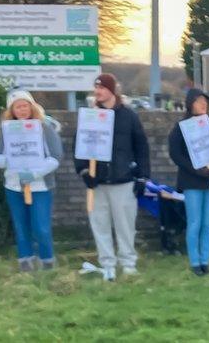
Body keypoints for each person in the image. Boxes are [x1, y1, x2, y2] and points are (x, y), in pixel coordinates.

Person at [74, 73, 150, 281]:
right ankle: (107, 263)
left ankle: (128, 263)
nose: (98, 92)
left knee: (125, 226)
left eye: (102, 88)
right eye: (96, 88)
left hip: (123, 180)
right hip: (97, 183)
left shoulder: (129, 116)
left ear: (112, 90)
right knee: (100, 224)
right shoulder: (90, 117)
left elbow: (141, 147)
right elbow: (79, 147)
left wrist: (143, 177)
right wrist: (83, 172)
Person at [0, 90, 62, 272]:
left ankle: (47, 260)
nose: (22, 110)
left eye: (25, 105)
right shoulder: (8, 130)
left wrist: (35, 173)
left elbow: (55, 156)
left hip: (40, 187)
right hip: (14, 186)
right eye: (18, 106)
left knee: (41, 228)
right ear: (12, 110)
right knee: (21, 226)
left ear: (32, 106)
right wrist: (9, 161)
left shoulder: (44, 127)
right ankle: (25, 260)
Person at [168, 88, 209, 275]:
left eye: (205, 101)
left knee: (208, 223)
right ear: (190, 103)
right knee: (195, 222)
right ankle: (195, 262)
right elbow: (176, 154)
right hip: (191, 182)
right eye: (199, 101)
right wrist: (197, 170)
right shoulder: (181, 127)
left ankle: (205, 260)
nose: (203, 104)